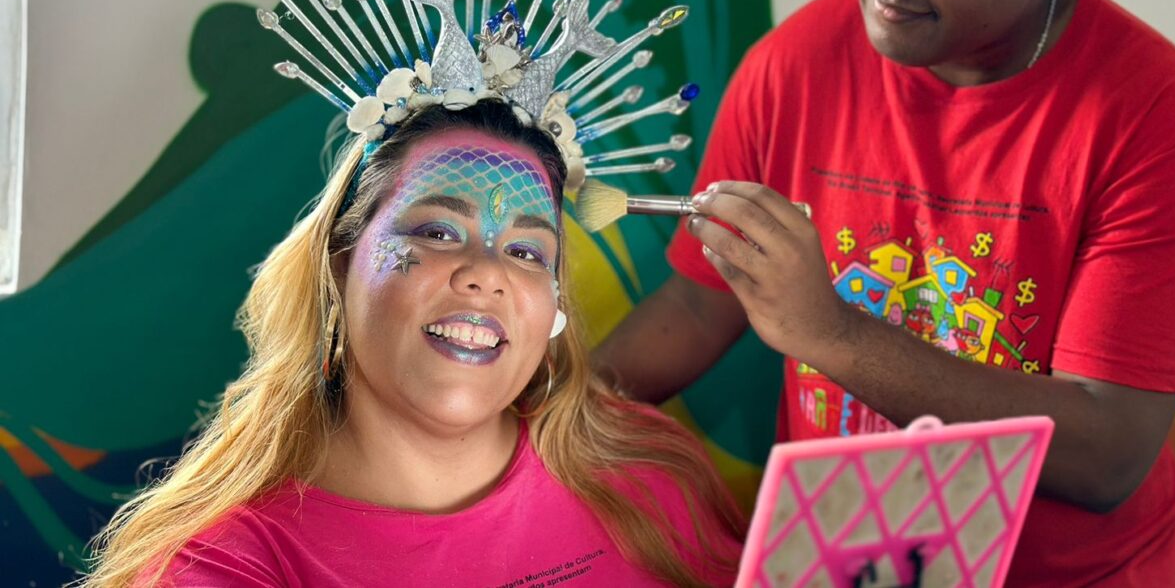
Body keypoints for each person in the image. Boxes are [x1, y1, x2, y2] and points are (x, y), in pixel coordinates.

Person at [596, 0, 1175, 584]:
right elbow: (697, 307)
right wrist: (539, 409)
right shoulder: (795, 65)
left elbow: (1106, 452)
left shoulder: (1157, 120)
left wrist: (831, 334)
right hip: (832, 564)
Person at [82, 98, 744, 587]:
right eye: (437, 233)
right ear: (341, 264)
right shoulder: (224, 568)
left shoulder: (652, 474)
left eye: (525, 250)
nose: (487, 273)